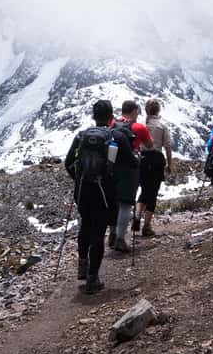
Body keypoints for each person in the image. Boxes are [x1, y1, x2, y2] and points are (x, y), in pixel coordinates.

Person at [64, 99, 133, 293]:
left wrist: (79, 179)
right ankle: (93, 278)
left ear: (94, 116)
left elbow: (68, 163)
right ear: (111, 116)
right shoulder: (116, 136)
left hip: (82, 190)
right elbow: (132, 162)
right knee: (98, 231)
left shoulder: (81, 136)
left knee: (85, 225)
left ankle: (82, 265)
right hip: (104, 191)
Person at [109, 100, 153, 252]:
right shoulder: (139, 127)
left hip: (112, 166)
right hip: (130, 168)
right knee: (125, 204)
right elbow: (150, 145)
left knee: (113, 202)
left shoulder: (112, 125)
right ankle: (120, 239)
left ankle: (112, 234)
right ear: (134, 111)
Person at [136, 99, 173, 237]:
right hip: (157, 159)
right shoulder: (162, 126)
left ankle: (137, 216)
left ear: (146, 110)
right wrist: (169, 164)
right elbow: (168, 147)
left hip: (143, 159)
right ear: (158, 110)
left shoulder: (141, 126)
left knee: (144, 191)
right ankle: (146, 226)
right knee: (153, 193)